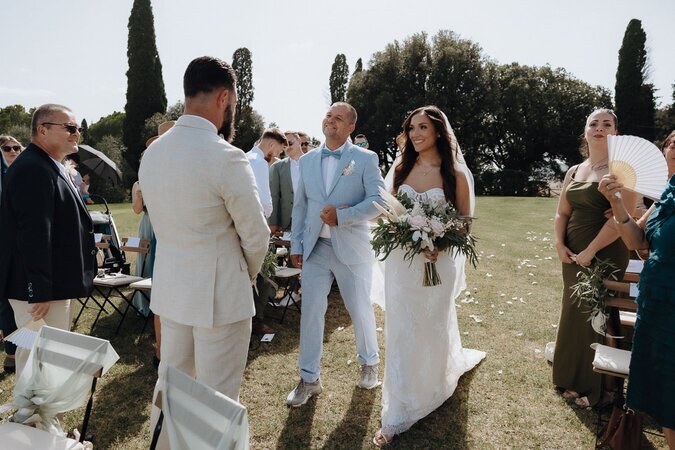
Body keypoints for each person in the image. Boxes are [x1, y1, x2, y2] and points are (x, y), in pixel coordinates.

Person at [140, 56, 269, 450]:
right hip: (220, 295)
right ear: (225, 97)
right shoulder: (226, 156)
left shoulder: (153, 154)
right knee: (217, 397)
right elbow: (256, 235)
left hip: (171, 289)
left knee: (172, 385)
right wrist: (242, 273)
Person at [371, 106, 486, 446]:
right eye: (411, 128)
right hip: (401, 265)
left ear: (438, 131)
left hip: (439, 263)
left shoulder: (456, 175)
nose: (416, 134)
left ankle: (434, 384)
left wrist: (440, 241)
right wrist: (403, 231)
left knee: (431, 325)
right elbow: (387, 215)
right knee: (402, 328)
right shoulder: (401, 169)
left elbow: (464, 222)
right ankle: (399, 407)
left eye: (422, 127)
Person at [286, 102, 384, 407]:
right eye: (329, 115)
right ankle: (309, 379)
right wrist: (297, 245)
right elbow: (301, 206)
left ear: (351, 127)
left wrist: (345, 216)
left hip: (351, 248)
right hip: (315, 248)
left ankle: (369, 363)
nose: (332, 121)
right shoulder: (308, 160)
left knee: (359, 309)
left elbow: (379, 201)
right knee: (311, 313)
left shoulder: (366, 159)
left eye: (339, 118)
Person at [0, 104, 95, 380]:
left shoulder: (46, 165)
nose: (77, 133)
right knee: (38, 358)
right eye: (70, 128)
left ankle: (43, 420)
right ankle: (32, 421)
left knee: (46, 357)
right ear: (42, 130)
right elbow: (33, 233)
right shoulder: (33, 168)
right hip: (40, 291)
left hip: (51, 285)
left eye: (78, 128)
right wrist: (37, 289)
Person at [552, 108, 637, 408]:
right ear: (585, 131)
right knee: (574, 310)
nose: (600, 128)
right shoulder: (574, 170)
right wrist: (560, 244)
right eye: (594, 123)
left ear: (616, 131)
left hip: (606, 251)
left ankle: (599, 386)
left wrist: (591, 251)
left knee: (599, 313)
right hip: (573, 253)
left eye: (607, 124)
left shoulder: (623, 170)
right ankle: (569, 375)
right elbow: (562, 212)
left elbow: (619, 221)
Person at [598, 142, 675, 448]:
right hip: (656, 306)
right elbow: (639, 243)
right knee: (666, 399)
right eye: (672, 144)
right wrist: (617, 202)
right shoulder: (667, 193)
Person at [131, 121, 175, 367]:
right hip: (151, 224)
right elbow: (137, 210)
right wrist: (139, 195)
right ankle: (149, 307)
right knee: (152, 267)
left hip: (166, 225)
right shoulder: (141, 180)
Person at [246, 127, 288, 334]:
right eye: (279, 150)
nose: (277, 156)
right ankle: (256, 320)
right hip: (256, 225)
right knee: (262, 273)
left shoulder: (246, 157)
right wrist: (269, 212)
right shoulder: (259, 162)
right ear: (271, 144)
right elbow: (264, 200)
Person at [0, 135, 23, 373]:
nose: (14, 151)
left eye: (18, 147)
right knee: (6, 299)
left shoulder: (26, 172)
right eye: (7, 148)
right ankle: (11, 352)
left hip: (21, 245)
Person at [269, 131, 303, 235]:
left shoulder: (314, 163)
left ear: (299, 141)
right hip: (286, 221)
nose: (287, 148)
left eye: (290, 143)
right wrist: (272, 222)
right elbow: (273, 196)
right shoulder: (277, 167)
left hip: (309, 219)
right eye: (284, 146)